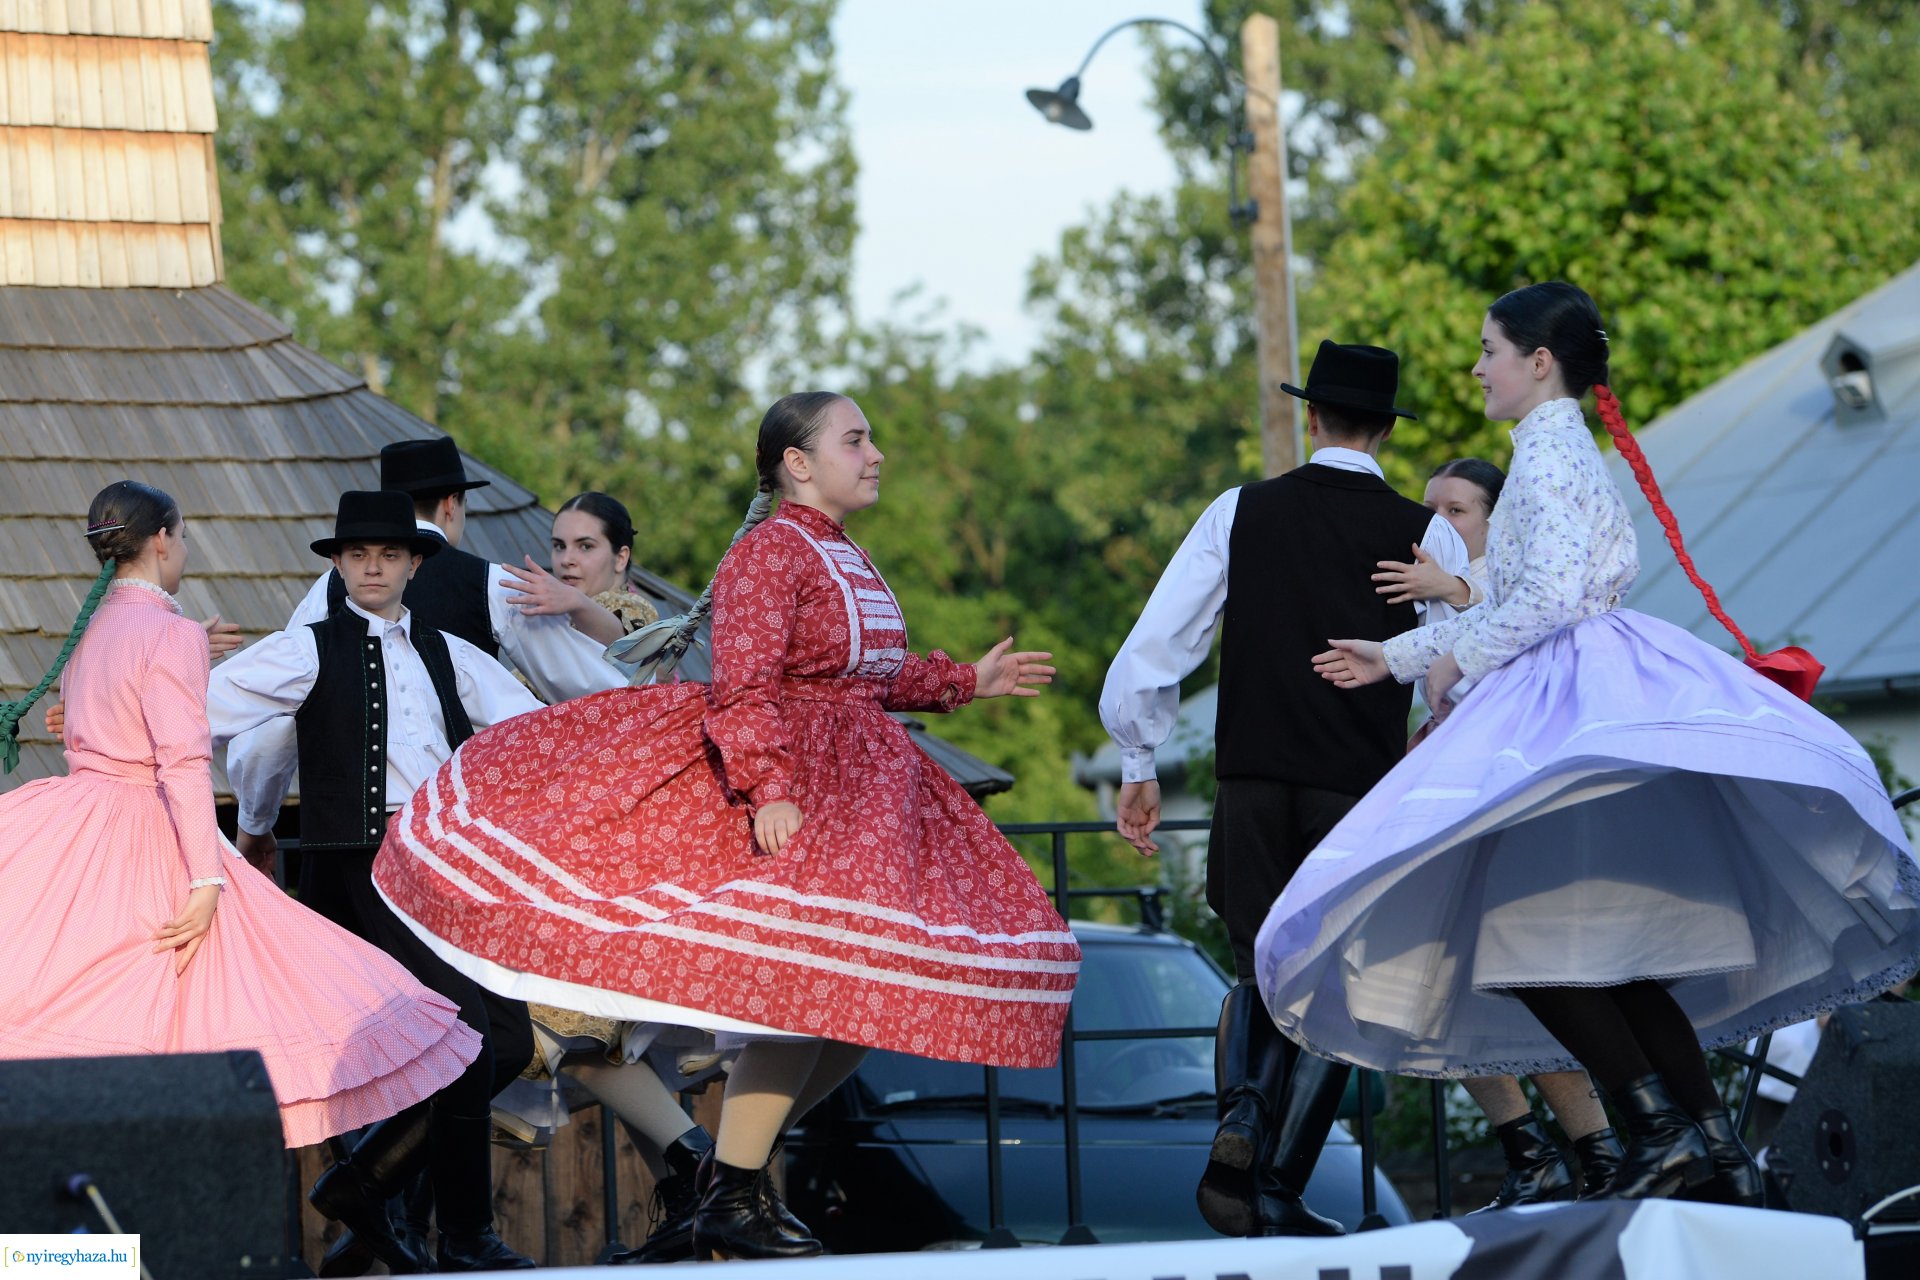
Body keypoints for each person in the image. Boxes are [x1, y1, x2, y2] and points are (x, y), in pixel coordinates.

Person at [370, 391, 1079, 1260]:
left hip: (863, 796)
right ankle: (732, 1191)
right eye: (856, 440)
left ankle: (722, 1179)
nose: (875, 455)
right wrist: (770, 787)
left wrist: (966, 680)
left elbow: (863, 675)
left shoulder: (840, 552)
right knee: (811, 993)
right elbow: (744, 683)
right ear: (798, 464)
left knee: (861, 1006)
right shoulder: (769, 551)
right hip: (801, 788)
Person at [1264, 281, 1920, 1208]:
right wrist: (1399, 654)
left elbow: (1549, 597)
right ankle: (1714, 1148)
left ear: (1539, 362)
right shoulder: (1551, 449)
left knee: (1528, 948)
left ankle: (1662, 1132)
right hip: (1572, 691)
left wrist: (1451, 660)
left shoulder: (1548, 456)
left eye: (1489, 350)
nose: (1477, 368)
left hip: (1565, 702)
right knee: (1610, 956)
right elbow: (1528, 595)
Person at [1099, 340, 1470, 1238]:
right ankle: (1273, 1186)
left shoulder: (1240, 510)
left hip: (1253, 779)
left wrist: (1140, 761)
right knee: (1339, 986)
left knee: (1253, 965)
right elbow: (1464, 656)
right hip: (1358, 788)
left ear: (1311, 418)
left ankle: (1242, 1116)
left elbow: (1160, 640)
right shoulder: (1425, 534)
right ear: (1386, 430)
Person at [0, 481, 481, 1150]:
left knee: (79, 994)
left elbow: (97, 723)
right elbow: (182, 762)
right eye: (183, 536)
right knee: (238, 999)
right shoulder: (168, 632)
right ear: (162, 540)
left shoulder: (91, 629)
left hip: (74, 826)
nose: (184, 547)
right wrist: (206, 881)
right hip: (146, 831)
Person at [208, 490, 547, 1273]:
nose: (372, 567)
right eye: (357, 555)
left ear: (414, 564)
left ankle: (366, 1183)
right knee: (464, 1037)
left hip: (442, 863)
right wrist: (253, 825)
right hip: (360, 868)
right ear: (337, 563)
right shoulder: (304, 649)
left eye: (389, 555)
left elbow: (534, 729)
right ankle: (462, 1235)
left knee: (507, 1040)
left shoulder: (450, 654)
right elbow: (215, 715)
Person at [228, 436, 627, 877]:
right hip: (450, 844)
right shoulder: (491, 584)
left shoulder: (328, 589)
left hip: (337, 851)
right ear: (452, 503)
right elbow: (597, 695)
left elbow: (272, 730)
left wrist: (255, 821)